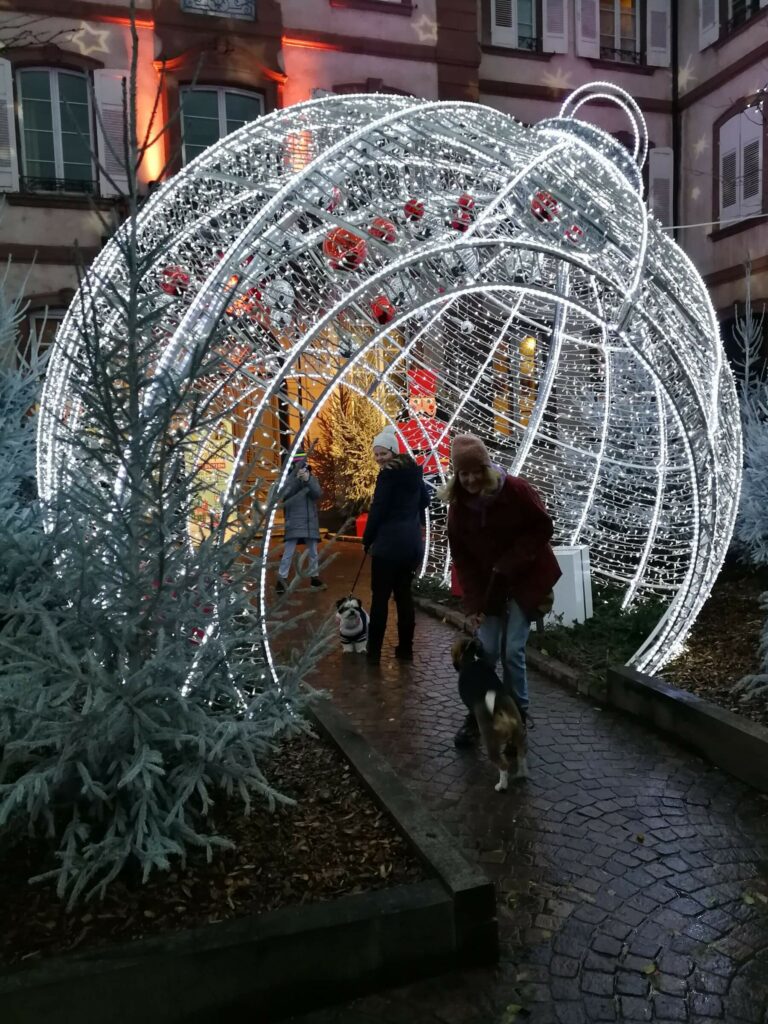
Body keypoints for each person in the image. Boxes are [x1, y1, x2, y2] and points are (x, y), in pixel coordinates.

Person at [442, 434, 561, 746]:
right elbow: (463, 560)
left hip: (525, 577)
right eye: (463, 473)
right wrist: (473, 605)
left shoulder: (517, 490)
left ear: (487, 467)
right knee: (488, 650)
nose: (470, 479)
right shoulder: (458, 510)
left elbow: (543, 527)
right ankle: (482, 712)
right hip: (490, 586)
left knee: (512, 651)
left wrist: (511, 560)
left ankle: (519, 714)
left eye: (476, 471)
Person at [363, 425, 429, 664]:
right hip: (411, 545)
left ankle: (373, 654)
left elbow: (377, 510)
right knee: (404, 598)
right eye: (377, 454)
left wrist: (367, 538)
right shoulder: (414, 472)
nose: (379, 458)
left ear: (393, 451)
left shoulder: (387, 476)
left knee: (380, 599)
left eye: (383, 453)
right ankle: (405, 650)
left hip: (388, 547)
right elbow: (425, 500)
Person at [276, 456, 324, 593]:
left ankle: (315, 578)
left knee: (313, 552)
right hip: (294, 520)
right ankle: (282, 579)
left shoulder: (312, 478)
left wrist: (307, 479)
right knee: (288, 552)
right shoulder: (287, 479)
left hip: (310, 521)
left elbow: (317, 493)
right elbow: (285, 493)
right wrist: (296, 479)